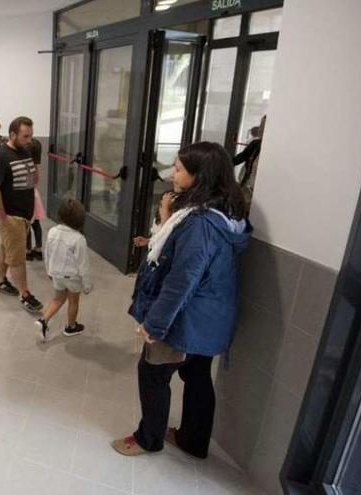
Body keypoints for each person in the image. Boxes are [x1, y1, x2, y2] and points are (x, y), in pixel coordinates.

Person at [111, 142, 251, 459]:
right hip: (211, 315)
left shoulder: (200, 223)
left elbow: (182, 278)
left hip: (188, 315)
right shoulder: (224, 212)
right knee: (196, 373)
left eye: (178, 169)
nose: (172, 174)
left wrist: (155, 324)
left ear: (199, 176)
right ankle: (193, 439)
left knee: (153, 371)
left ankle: (149, 439)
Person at [0, 116, 44, 314]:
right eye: (25, 136)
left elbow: (33, 180)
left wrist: (35, 161)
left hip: (23, 214)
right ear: (12, 135)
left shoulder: (26, 151)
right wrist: (4, 218)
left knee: (6, 247)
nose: (29, 140)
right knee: (17, 257)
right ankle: (25, 293)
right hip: (11, 216)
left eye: (31, 136)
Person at [34, 198, 92, 342]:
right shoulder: (79, 239)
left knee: (58, 299)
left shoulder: (52, 231)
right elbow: (83, 265)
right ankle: (71, 326)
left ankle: (43, 320)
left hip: (56, 274)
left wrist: (49, 270)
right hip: (72, 277)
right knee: (73, 302)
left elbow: (47, 253)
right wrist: (87, 284)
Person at [234, 115, 266, 190]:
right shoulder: (255, 143)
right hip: (247, 185)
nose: (260, 130)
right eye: (260, 126)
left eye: (263, 127)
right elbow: (241, 157)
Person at [25, 137, 45, 261]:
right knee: (36, 224)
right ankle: (38, 249)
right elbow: (36, 180)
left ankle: (27, 250)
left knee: (26, 224)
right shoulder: (35, 167)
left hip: (27, 196)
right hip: (34, 194)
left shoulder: (25, 166)